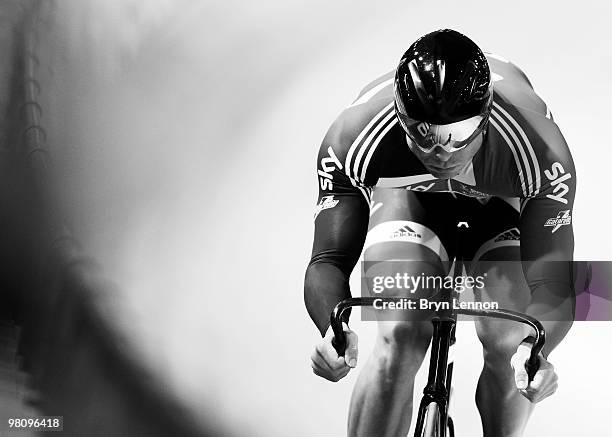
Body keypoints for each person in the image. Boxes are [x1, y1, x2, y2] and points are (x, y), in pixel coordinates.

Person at [305, 29, 576, 437]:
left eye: (457, 135)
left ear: (485, 118)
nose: (441, 153)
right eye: (424, 134)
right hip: (410, 199)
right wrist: (333, 327)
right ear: (400, 118)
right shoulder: (352, 140)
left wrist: (536, 351)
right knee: (399, 331)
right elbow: (328, 259)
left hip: (498, 203)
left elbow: (554, 281)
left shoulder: (540, 152)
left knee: (510, 338)